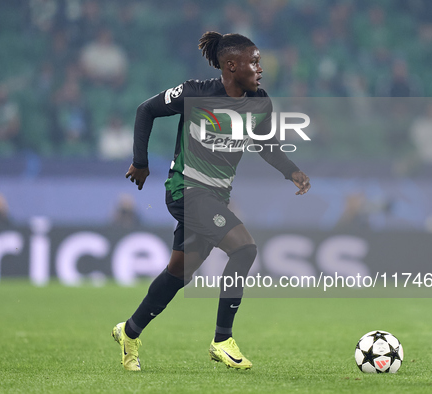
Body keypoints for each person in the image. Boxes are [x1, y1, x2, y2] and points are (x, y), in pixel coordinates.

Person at [112, 32, 311, 371]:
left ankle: (129, 332)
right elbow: (145, 110)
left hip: (216, 196)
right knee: (244, 248)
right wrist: (140, 161)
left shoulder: (259, 102)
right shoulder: (195, 93)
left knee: (180, 271)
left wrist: (291, 171)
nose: (261, 69)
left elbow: (265, 144)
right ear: (231, 65)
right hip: (185, 190)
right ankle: (222, 340)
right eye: (255, 62)